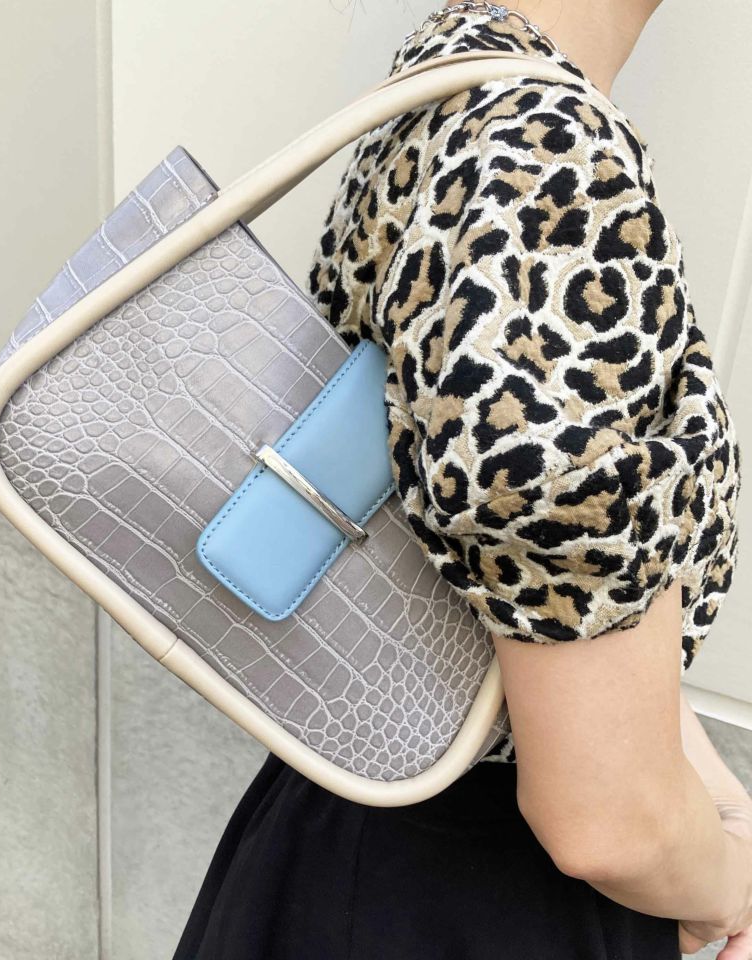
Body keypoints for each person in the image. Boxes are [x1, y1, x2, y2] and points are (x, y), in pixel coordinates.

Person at [173, 2, 752, 957]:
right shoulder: (553, 166)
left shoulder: (458, 76)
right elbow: (608, 821)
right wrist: (728, 888)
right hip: (468, 896)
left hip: (360, 839)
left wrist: (710, 798)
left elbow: (537, 591)